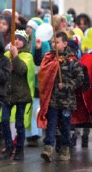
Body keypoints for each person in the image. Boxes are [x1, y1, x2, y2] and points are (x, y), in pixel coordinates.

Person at [36, 31, 84, 162]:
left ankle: (65, 148)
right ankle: (48, 148)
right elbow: (43, 73)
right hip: (53, 99)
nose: (54, 45)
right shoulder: (49, 58)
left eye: (57, 42)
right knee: (51, 124)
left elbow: (80, 78)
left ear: (64, 43)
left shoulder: (72, 61)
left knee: (65, 125)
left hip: (67, 101)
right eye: (52, 42)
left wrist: (67, 85)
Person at [2, 30, 34, 160]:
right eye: (15, 38)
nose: (17, 41)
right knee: (4, 120)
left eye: (20, 39)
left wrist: (15, 57)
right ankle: (9, 146)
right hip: (7, 94)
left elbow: (22, 70)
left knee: (19, 123)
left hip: (21, 94)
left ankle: (20, 148)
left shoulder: (27, 56)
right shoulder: (5, 54)